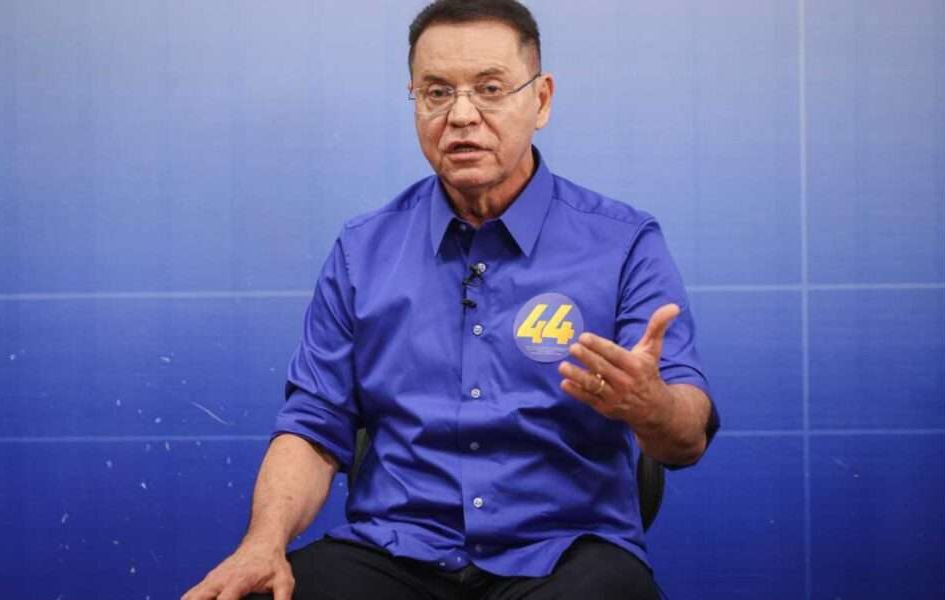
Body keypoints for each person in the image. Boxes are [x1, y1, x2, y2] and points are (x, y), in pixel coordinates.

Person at [183, 1, 719, 598]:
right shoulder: (364, 250)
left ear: (541, 100)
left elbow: (687, 436)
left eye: (490, 89)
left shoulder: (622, 243)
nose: (462, 116)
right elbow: (313, 427)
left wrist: (650, 405)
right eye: (437, 93)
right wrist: (263, 542)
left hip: (563, 555)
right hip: (396, 551)